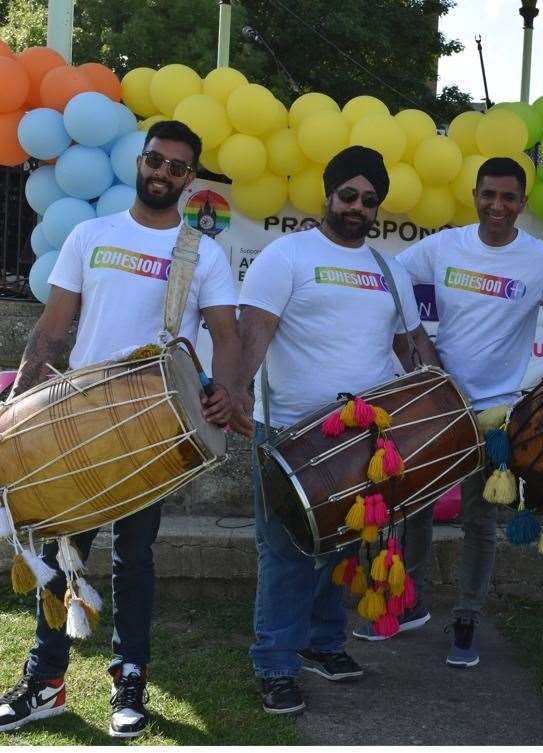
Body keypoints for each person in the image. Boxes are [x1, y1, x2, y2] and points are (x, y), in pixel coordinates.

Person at [0, 120, 245, 738]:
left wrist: (230, 392)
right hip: (77, 414)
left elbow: (226, 330)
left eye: (178, 167)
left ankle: (129, 676)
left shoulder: (202, 252)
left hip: (152, 429)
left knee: (136, 556)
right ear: (141, 161)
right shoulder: (91, 234)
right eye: (156, 160)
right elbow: (54, 330)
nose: (163, 173)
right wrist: (19, 399)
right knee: (62, 548)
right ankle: (45, 680)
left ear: (191, 180)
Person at [351, 156, 543, 668]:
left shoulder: (541, 261)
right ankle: (411, 603)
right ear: (476, 195)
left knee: (478, 522)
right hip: (438, 404)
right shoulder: (445, 245)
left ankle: (467, 617)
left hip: (497, 416)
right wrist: (414, 347)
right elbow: (391, 280)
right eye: (489, 195)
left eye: (509, 198)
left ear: (522, 203)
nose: (497, 206)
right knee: (412, 507)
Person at [235, 146, 440, 714]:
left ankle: (323, 645)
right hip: (290, 434)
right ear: (327, 195)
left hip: (364, 439)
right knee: (286, 551)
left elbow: (411, 346)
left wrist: (442, 392)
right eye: (348, 195)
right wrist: (232, 399)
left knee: (344, 544)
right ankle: (275, 662)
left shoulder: (388, 269)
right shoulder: (287, 255)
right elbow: (254, 335)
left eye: (369, 200)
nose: (357, 207)